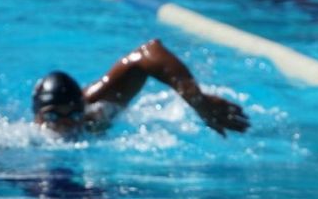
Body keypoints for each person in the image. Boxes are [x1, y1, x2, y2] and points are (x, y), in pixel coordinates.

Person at [32, 39, 250, 138]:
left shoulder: (96, 113)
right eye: (53, 116)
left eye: (74, 115)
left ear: (82, 109)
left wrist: (198, 101)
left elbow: (149, 52)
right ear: (37, 118)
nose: (66, 124)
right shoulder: (26, 140)